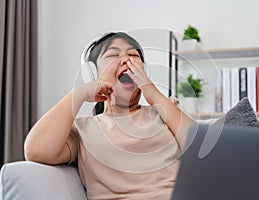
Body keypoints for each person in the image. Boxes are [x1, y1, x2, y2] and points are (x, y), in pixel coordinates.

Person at [24, 32, 196, 199]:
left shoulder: (165, 111)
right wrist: (79, 94)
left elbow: (201, 149)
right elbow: (36, 150)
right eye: (113, 55)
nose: (126, 60)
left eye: (133, 55)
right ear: (92, 74)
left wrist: (154, 94)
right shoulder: (83, 131)